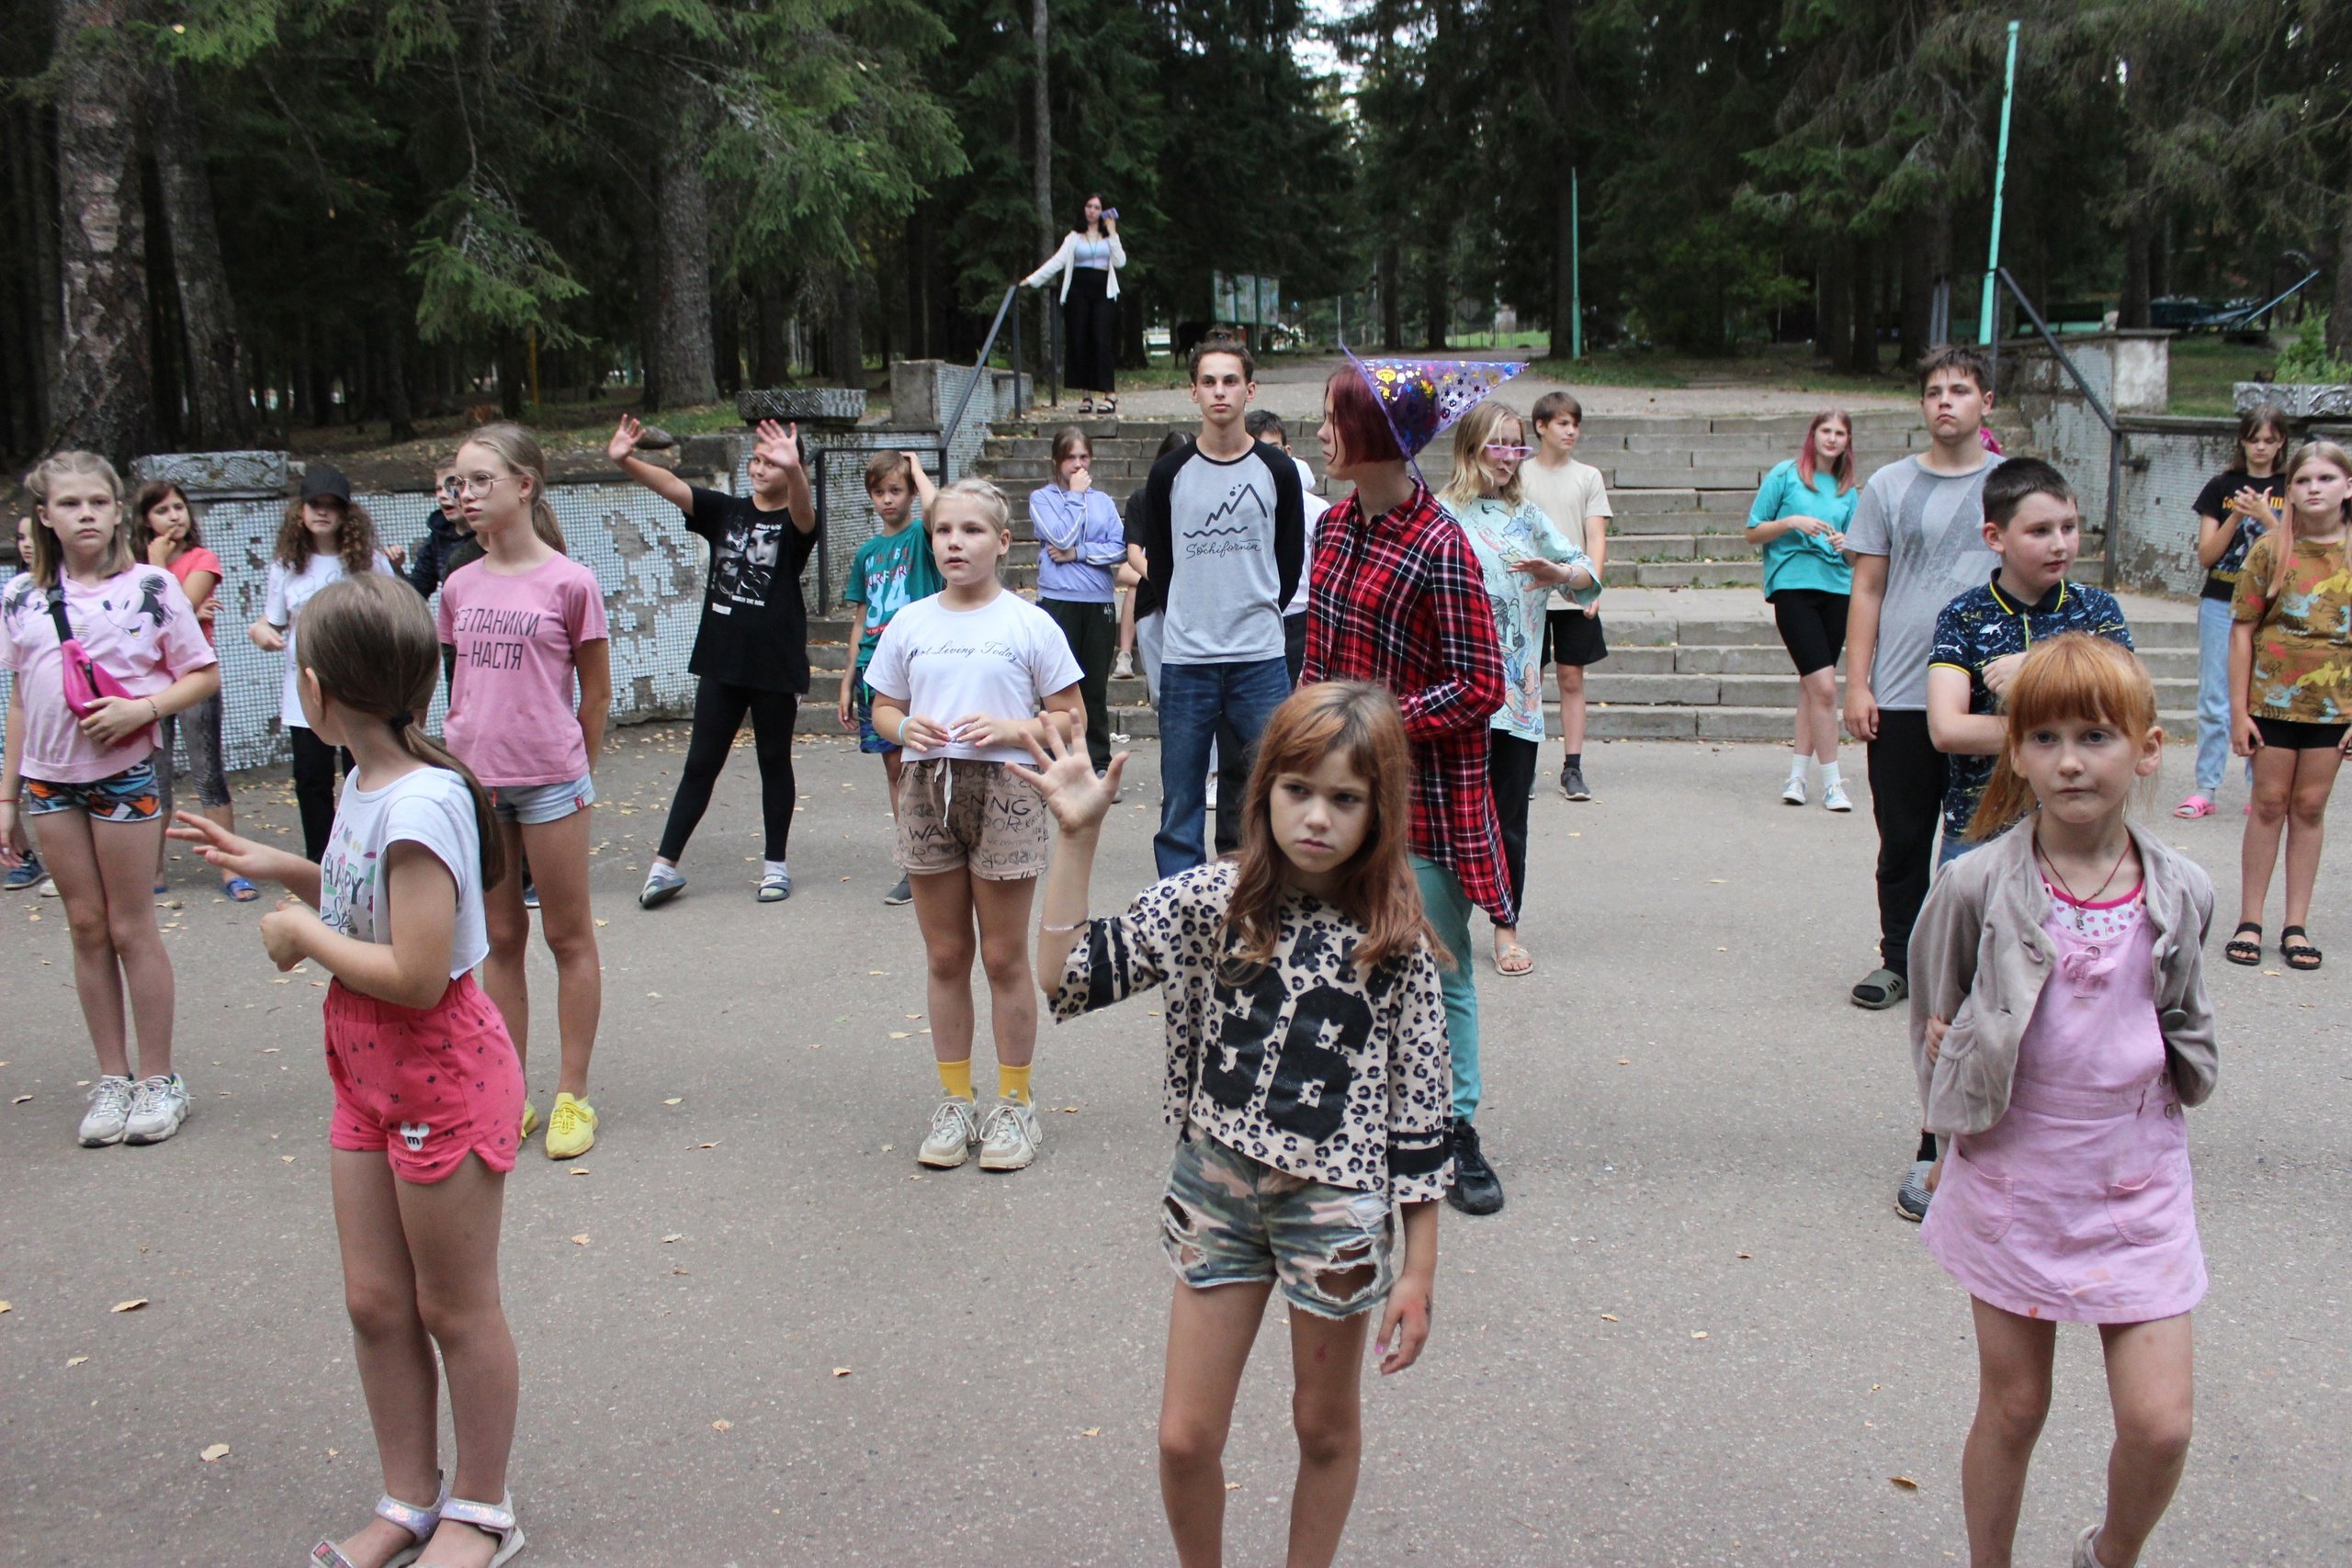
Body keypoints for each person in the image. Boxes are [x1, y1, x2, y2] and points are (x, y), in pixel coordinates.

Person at [1022, 682, 1448, 1568]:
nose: (1318, 817)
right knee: (1184, 1436)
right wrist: (1077, 834)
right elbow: (1064, 977)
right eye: (1298, 790)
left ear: (1379, 810)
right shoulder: (1210, 902)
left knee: (1322, 1430)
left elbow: (1421, 1108)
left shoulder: (1395, 938)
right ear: (1263, 793)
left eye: (1345, 798)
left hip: (1335, 1213)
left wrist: (1420, 1266)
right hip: (1216, 1196)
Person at [170, 573, 527, 1568]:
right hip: (365, 1075)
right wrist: (286, 868)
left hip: (437, 1073)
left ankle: (483, 1511)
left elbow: (416, 975)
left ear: (319, 690)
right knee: (376, 1302)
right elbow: (362, 889)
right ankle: (409, 1498)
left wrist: (301, 937)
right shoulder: (375, 781)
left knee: (455, 1307)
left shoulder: (421, 801)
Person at [1909, 633, 2213, 1568]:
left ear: (2147, 748)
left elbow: (2182, 1010)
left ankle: (2108, 1555)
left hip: (2136, 1178)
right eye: (2042, 738)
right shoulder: (1971, 885)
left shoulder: (2184, 889)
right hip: (2016, 1174)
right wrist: (1947, 1108)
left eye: (2094, 736)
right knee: (2014, 1406)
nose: (2069, 761)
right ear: (2015, 753)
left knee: (2159, 1424)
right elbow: (1933, 1014)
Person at [1305, 355, 1516, 1216]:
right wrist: (1311, 740)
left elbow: (1480, 686)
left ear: (1376, 437)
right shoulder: (1333, 529)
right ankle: (1358, 1111)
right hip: (1335, 790)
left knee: (1438, 966)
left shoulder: (1441, 545)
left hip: (1423, 801)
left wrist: (1372, 722)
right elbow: (1318, 655)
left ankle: (1454, 1128)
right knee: (1339, 953)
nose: (1320, 432)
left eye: (1333, 417)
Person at [865, 478, 1083, 1175]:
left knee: (1002, 957)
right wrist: (904, 725)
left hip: (1007, 788)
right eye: (943, 531)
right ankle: (955, 1100)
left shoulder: (1029, 623)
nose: (954, 542)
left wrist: (1015, 727)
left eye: (971, 530)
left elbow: (1071, 716)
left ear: (1003, 542)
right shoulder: (912, 621)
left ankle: (1014, 1103)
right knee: (945, 955)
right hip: (929, 786)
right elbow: (882, 710)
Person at [1, 452, 220, 1147]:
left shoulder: (151, 586)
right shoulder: (20, 599)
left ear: (119, 509)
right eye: (69, 504)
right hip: (46, 783)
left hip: (124, 777)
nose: (86, 514)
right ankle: (112, 1076)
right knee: (85, 926)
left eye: (98, 501)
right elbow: (19, 700)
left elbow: (202, 673)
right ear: (43, 516)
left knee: (131, 925)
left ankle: (158, 1077)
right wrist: (6, 796)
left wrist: (142, 709)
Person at [439, 423, 611, 1161]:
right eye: (458, 482)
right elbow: (459, 686)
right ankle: (509, 1093)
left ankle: (572, 1094)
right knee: (498, 938)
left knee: (566, 935)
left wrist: (576, 770)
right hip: (477, 786)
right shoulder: (456, 584)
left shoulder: (570, 582)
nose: (465, 494)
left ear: (523, 486)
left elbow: (595, 692)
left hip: (550, 784)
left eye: (480, 480)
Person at [1843, 344, 2002, 1016]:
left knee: (1989, 837)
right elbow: (1868, 586)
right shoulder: (1887, 486)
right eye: (1934, 390)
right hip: (1905, 688)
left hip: (1991, 690)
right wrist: (1859, 682)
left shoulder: (2014, 482)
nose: (1946, 401)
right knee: (1904, 835)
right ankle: (1900, 958)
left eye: (1960, 390)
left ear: (1985, 402)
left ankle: (1980, 963)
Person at [608, 413, 816, 908]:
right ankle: (663, 867)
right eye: (757, 459)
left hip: (774, 665)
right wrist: (627, 460)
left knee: (774, 762)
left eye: (774, 461)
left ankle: (775, 866)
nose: (761, 468)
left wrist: (795, 473)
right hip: (721, 664)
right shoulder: (726, 511)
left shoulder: (795, 523)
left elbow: (806, 515)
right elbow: (675, 488)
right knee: (700, 764)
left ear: (791, 467)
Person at [1134, 333, 1306, 876]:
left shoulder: (1278, 471)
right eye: (1208, 381)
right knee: (1180, 802)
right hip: (1187, 661)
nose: (1220, 392)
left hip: (1260, 659)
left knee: (1270, 791)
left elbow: (1289, 559)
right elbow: (1160, 566)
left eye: (1230, 380)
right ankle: (1178, 916)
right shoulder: (1169, 473)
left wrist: (1254, 609)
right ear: (1193, 393)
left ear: (1249, 389)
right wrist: (1193, 612)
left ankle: (1264, 902)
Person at [1438, 400, 1595, 978]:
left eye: (1516, 445)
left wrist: (1560, 575)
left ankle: (1506, 925)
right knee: (1449, 812)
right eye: (1498, 444)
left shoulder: (1528, 516)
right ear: (1471, 447)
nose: (1508, 457)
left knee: (1508, 817)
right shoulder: (1439, 515)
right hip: (1454, 690)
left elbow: (1585, 571)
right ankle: (1443, 924)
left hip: (1517, 695)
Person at [1928, 458, 2134, 871]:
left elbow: (2127, 709)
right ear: (1995, 536)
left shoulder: (2097, 612)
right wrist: (2071, 733)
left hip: (2083, 834)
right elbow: (1948, 728)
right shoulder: (1963, 615)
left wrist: (2037, 665)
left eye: (2069, 527)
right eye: (2040, 531)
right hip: (1979, 833)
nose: (2060, 544)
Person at [2224, 438, 2352, 973]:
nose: (2314, 489)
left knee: (2310, 808)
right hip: (2271, 705)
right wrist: (2238, 711)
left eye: (2325, 478)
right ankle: (2250, 919)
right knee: (2270, 803)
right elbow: (2242, 633)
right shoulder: (2269, 550)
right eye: (2303, 481)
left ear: (2348, 487)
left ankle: (2294, 923)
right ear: (2288, 491)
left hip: (2333, 708)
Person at [251, 463, 397, 863]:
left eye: (332, 506)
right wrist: (261, 633)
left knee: (364, 771)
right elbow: (272, 621)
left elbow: (393, 613)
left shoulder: (367, 562)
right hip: (305, 692)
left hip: (358, 688)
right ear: (301, 509)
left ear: (346, 513)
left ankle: (367, 852)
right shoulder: (287, 564)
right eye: (315, 504)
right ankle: (321, 861)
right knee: (311, 779)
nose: (322, 513)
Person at [132, 480, 254, 902]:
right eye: (162, 510)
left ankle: (229, 868)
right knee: (154, 777)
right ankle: (153, 869)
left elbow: (169, 619)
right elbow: (136, 622)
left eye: (179, 507)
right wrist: (174, 593)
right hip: (149, 681)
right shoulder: (131, 565)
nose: (174, 516)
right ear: (145, 519)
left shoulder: (202, 559)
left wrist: (164, 577)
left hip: (195, 677)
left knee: (208, 774)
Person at [838, 450, 945, 907]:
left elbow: (937, 511)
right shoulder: (866, 553)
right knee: (894, 765)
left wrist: (917, 469)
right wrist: (846, 680)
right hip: (872, 667)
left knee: (927, 758)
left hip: (916, 660)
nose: (887, 500)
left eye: (895, 490)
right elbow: (861, 618)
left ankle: (939, 842)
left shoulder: (922, 539)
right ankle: (910, 855)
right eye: (879, 492)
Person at [2177, 405, 2290, 818]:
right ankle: (2206, 786)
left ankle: (2257, 787)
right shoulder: (2221, 486)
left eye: (2269, 440)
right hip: (2222, 601)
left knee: (2260, 697)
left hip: (2271, 606)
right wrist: (2237, 516)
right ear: (2242, 441)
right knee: (2214, 697)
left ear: (2281, 444)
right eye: (2253, 439)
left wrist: (2265, 515)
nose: (2261, 448)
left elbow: (2296, 550)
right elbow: (2207, 555)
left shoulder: (2290, 486)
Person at [1747, 410, 1860, 811]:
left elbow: (1856, 560)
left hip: (1837, 590)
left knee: (1813, 688)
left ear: (1848, 441)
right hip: (1793, 586)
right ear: (1813, 435)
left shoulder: (1848, 490)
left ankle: (1797, 777)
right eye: (1826, 431)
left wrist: (1848, 546)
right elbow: (1751, 531)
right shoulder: (1785, 475)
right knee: (1826, 689)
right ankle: (1833, 782)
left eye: (1840, 433)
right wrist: (1791, 521)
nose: (1832, 438)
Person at [1521, 391, 1611, 801]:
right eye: (1562, 423)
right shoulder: (1519, 474)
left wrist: (1593, 584)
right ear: (1541, 426)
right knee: (1528, 680)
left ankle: (1572, 767)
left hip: (1574, 590)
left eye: (1575, 423)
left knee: (1572, 677)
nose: (1571, 430)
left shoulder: (1588, 476)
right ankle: (1522, 767)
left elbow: (1596, 535)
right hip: (1529, 592)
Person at [1029, 426, 1130, 772]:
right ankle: (1054, 759)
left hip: (1097, 600)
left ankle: (1097, 759)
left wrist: (1078, 553)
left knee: (1093, 685)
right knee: (1055, 683)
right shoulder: (1042, 498)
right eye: (1070, 457)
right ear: (1057, 461)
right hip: (1058, 600)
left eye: (1083, 457)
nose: (1077, 464)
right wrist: (1074, 496)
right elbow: (1058, 533)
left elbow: (1119, 548)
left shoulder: (1102, 501)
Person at [1246, 409, 1331, 684]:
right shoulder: (1237, 510)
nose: (1269, 461)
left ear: (1288, 450)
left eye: (1274, 450)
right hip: (1252, 619)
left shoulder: (1317, 510)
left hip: (1299, 619)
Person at [1024, 193, 1127, 414]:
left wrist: (1112, 232)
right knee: (1080, 341)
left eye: (1097, 207)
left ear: (1103, 211)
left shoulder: (1108, 237)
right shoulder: (1073, 237)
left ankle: (1109, 394)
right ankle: (1086, 395)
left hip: (1103, 292)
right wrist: (1032, 280)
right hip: (1078, 292)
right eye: (1089, 206)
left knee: (1101, 340)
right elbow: (1057, 262)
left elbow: (1120, 262)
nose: (1092, 210)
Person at [4, 514, 49, 894]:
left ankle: (24, 856)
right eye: (20, 538)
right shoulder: (16, 591)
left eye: (33, 536)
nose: (27, 544)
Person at [404, 458, 476, 603]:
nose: (442, 495)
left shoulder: (492, 533)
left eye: (451, 486)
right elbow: (416, 593)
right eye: (438, 489)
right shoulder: (437, 538)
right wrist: (394, 567)